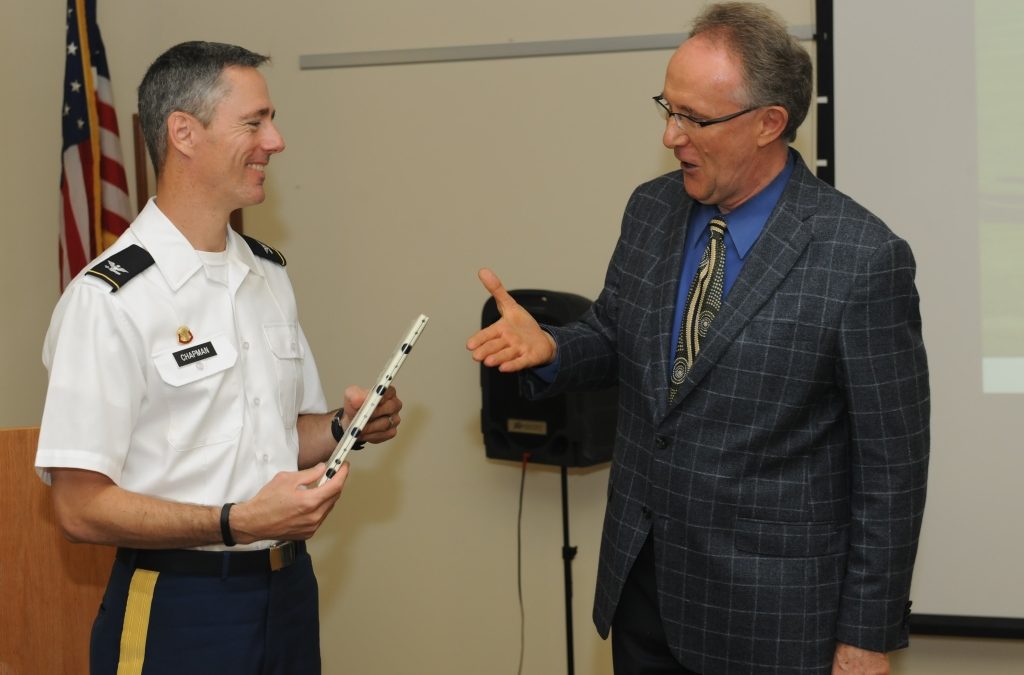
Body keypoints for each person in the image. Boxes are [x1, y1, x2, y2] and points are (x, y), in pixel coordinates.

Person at [467, 4, 929, 674]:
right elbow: (617, 335)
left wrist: (865, 638)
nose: (669, 135)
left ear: (769, 122)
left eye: (693, 118)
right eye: (667, 107)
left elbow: (892, 474)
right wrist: (555, 348)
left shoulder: (861, 258)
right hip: (645, 594)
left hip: (775, 621)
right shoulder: (651, 210)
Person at [35, 41, 403, 675]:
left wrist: (346, 428)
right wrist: (236, 521)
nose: (276, 141)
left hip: (288, 593)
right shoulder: (110, 299)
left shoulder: (266, 274)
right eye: (254, 122)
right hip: (180, 603)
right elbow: (77, 505)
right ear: (184, 132)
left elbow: (276, 436)